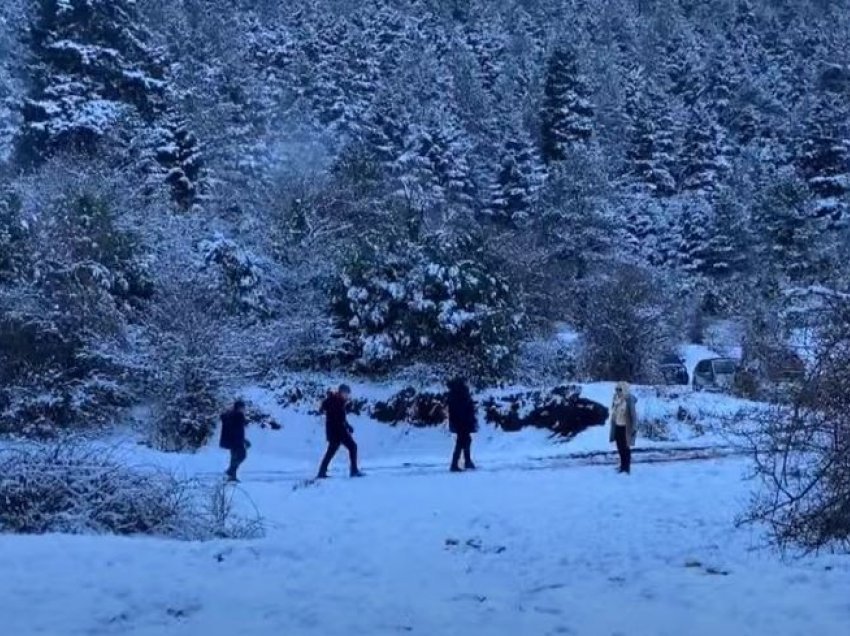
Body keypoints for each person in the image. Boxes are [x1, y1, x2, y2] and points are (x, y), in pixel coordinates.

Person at [317, 384, 364, 479]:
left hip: (335, 431)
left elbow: (340, 417)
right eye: (346, 393)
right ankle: (354, 470)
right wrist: (345, 427)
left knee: (331, 451)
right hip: (337, 431)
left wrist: (347, 426)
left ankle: (322, 472)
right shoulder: (335, 401)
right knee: (352, 446)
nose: (347, 396)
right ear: (342, 392)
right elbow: (337, 418)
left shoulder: (337, 401)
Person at [446, 377, 477, 472]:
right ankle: (456, 463)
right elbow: (464, 408)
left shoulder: (454, 394)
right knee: (462, 442)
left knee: (464, 441)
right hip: (463, 422)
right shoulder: (460, 393)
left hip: (459, 422)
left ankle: (465, 461)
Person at [609, 381, 638, 474]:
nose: (617, 391)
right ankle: (622, 466)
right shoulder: (616, 399)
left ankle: (626, 467)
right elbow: (613, 412)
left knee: (626, 448)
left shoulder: (629, 400)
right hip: (617, 426)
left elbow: (633, 416)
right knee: (619, 447)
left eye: (620, 389)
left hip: (626, 428)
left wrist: (634, 428)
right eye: (616, 389)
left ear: (624, 390)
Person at [220, 399, 249, 482]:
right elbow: (237, 430)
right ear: (239, 407)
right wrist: (243, 441)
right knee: (242, 456)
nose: (244, 409)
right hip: (236, 441)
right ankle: (231, 471)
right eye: (243, 407)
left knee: (234, 458)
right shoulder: (238, 416)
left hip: (230, 440)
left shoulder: (229, 415)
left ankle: (232, 476)